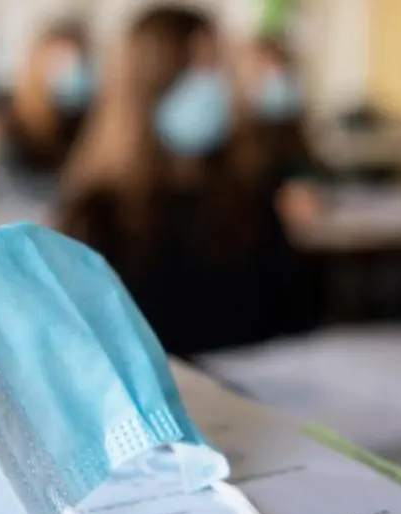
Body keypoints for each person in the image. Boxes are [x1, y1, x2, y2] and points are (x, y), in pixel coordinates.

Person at [56, 6, 315, 357]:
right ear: (148, 83)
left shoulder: (248, 197)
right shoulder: (95, 216)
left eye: (214, 65)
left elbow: (292, 317)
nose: (212, 85)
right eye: (193, 67)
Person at [0, 20, 94, 197]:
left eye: (77, 62)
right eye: (61, 61)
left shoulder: (87, 122)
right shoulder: (1, 119)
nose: (69, 72)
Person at [235, 33, 324, 225]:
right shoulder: (230, 140)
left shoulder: (292, 139)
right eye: (264, 69)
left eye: (280, 68)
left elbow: (306, 202)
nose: (275, 78)